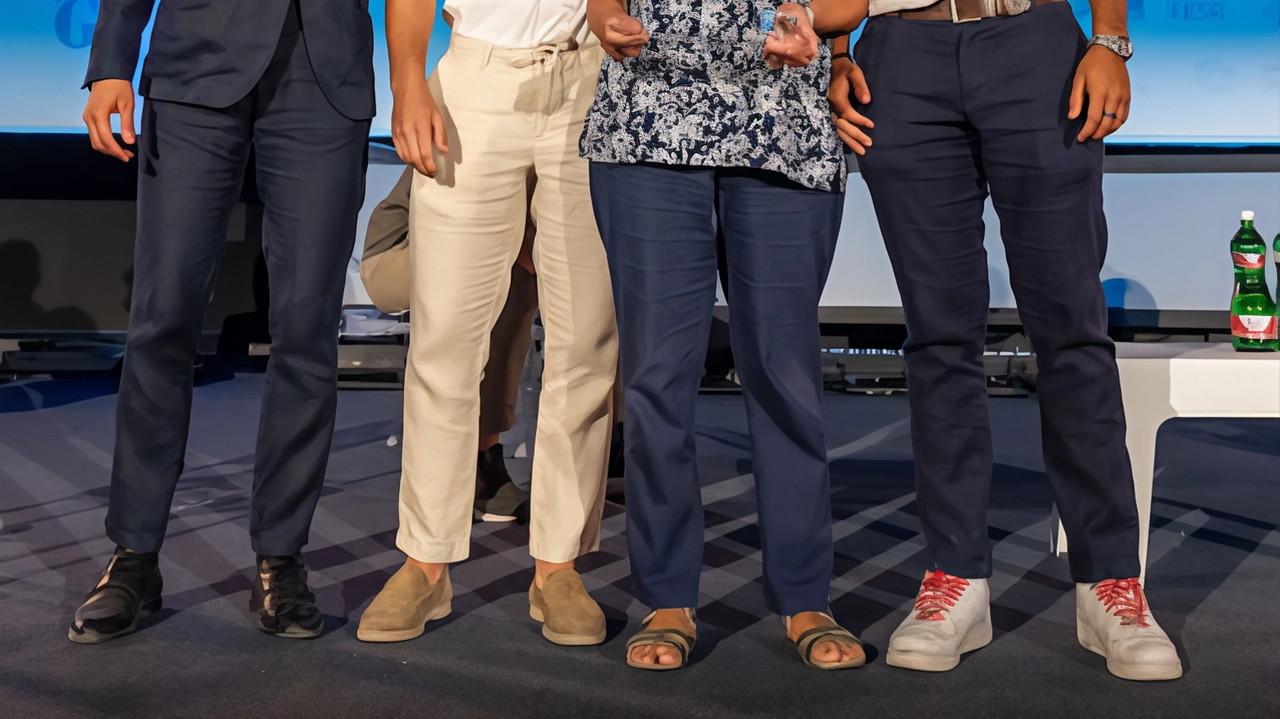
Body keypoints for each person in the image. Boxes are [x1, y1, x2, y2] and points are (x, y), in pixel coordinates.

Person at [829, 0, 1182, 681]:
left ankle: (1109, 581)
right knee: (937, 337)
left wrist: (1111, 39)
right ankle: (955, 573)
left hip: (1033, 42)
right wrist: (840, 53)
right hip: (901, 53)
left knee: (1071, 329)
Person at [68, 0, 373, 643]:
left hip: (326, 77)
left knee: (308, 330)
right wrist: (110, 63)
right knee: (164, 318)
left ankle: (282, 558)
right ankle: (134, 554)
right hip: (194, 70)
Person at [584, 0, 869, 671]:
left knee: (783, 370)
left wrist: (825, 29)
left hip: (782, 126)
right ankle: (666, 595)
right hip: (647, 120)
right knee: (656, 375)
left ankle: (804, 591)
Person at [356, 0, 619, 647]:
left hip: (591, 79)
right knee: (444, 339)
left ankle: (558, 565)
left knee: (584, 341)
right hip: (474, 79)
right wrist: (408, 81)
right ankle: (425, 560)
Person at [360, 166, 540, 523]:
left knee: (519, 278)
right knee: (512, 275)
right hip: (401, 251)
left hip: (480, 242)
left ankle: (480, 463)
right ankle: (456, 472)